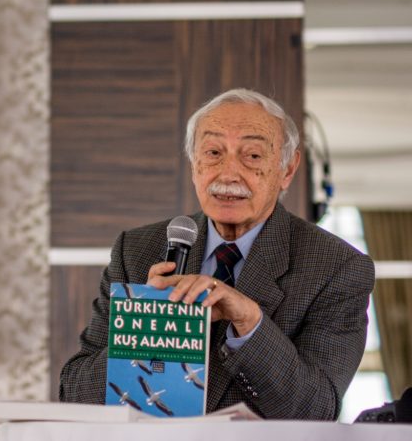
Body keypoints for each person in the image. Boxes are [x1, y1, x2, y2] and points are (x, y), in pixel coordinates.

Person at [58, 88, 374, 420]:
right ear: (194, 164)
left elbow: (316, 411)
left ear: (288, 169)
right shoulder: (136, 250)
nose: (228, 174)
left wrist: (249, 324)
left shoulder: (337, 268)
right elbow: (74, 394)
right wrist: (145, 332)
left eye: (252, 156)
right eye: (213, 152)